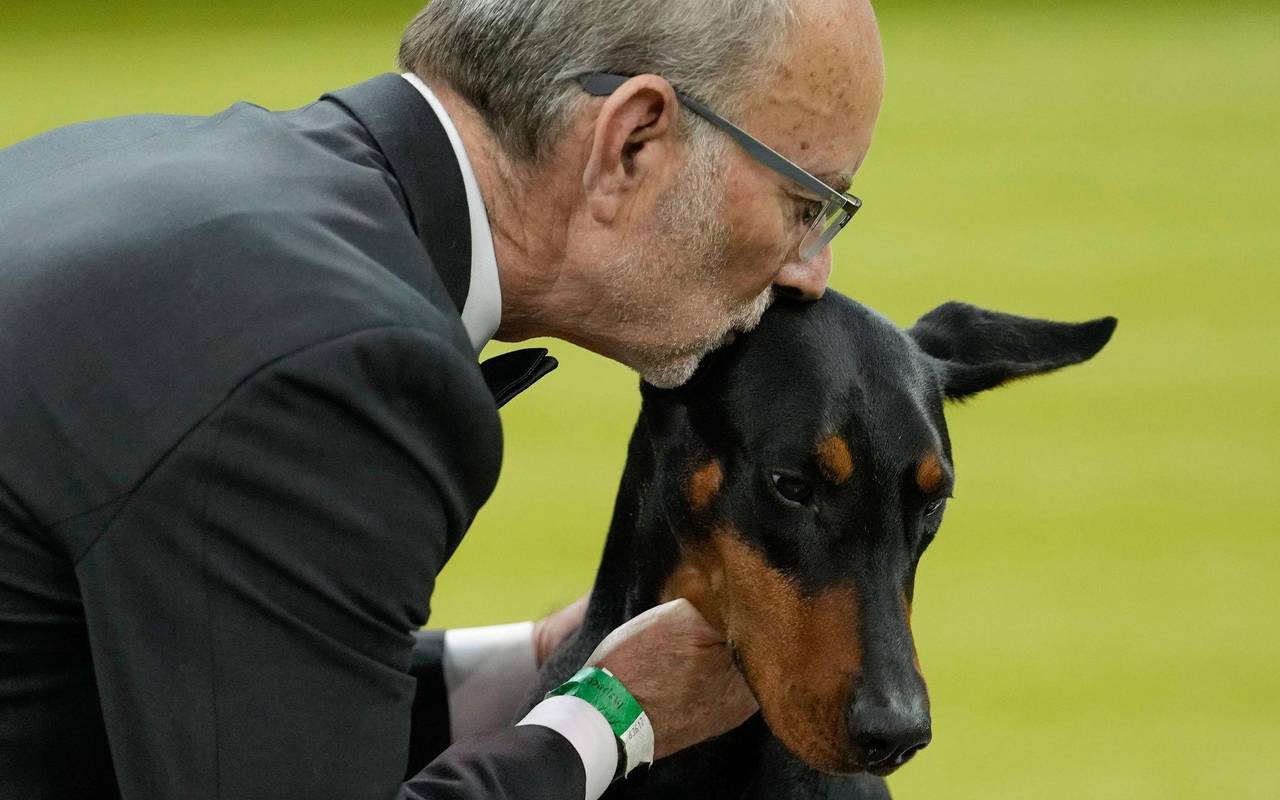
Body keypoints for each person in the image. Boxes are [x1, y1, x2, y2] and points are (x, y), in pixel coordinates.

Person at [0, 0, 885, 797]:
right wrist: (612, 718)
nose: (811, 272)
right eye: (805, 204)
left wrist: (544, 664)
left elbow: (203, 675)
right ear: (634, 142)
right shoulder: (339, 359)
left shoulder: (133, 162)